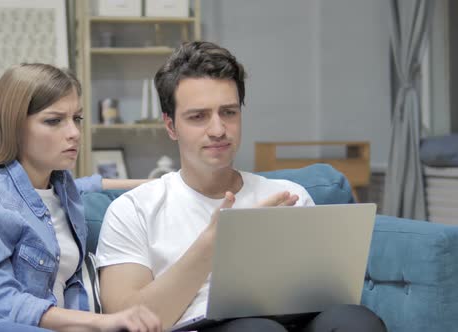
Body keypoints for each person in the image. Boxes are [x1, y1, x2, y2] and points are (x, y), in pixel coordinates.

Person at [96, 42, 387, 332]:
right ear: (171, 126)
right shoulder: (133, 210)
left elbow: (327, 294)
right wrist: (213, 245)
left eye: (229, 113)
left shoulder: (286, 195)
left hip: (293, 322)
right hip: (202, 326)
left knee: (356, 321)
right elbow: (125, 322)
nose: (218, 130)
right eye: (198, 116)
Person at [0, 63, 161, 332]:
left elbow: (90, 185)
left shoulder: (60, 184)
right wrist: (100, 321)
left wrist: (164, 182)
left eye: (77, 118)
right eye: (54, 120)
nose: (74, 132)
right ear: (15, 126)